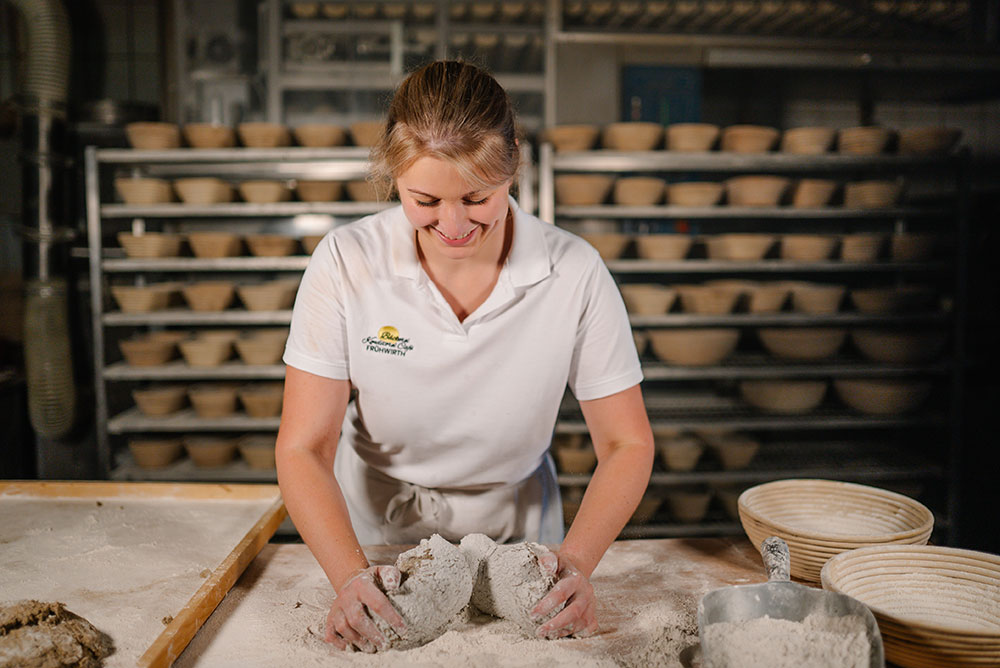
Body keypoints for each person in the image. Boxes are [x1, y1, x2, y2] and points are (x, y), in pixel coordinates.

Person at [276, 60, 654, 653]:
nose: (453, 225)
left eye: (477, 197)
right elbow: (303, 446)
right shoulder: (347, 262)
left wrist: (576, 563)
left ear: (513, 169)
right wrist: (349, 574)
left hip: (521, 536)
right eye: (425, 199)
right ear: (393, 176)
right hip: (374, 533)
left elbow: (627, 443)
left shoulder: (573, 272)